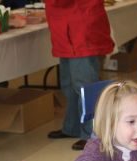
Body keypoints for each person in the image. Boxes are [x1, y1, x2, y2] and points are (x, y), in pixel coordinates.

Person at [45, 0, 114, 150]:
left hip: (80, 28)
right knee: (69, 86)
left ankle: (92, 134)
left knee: (85, 88)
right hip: (67, 29)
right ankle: (72, 127)